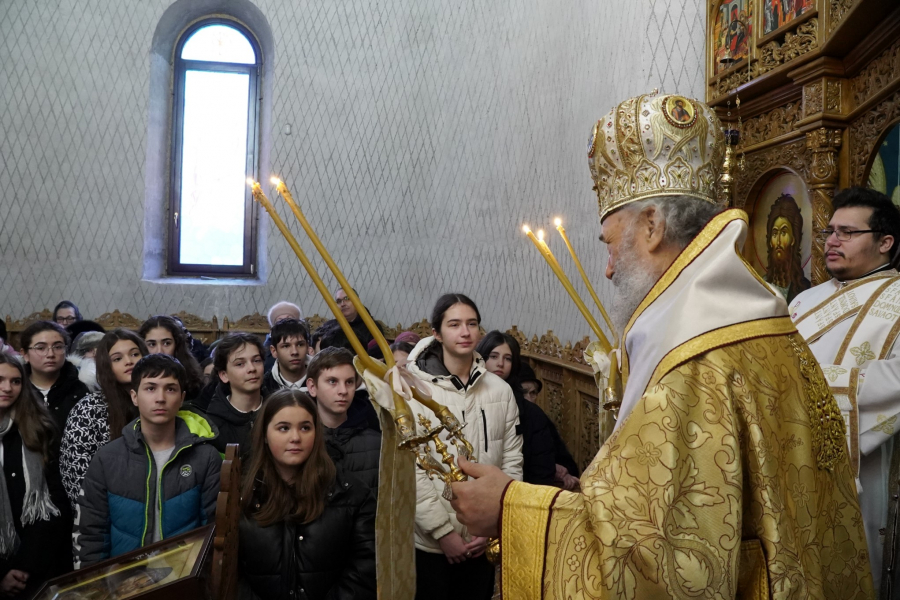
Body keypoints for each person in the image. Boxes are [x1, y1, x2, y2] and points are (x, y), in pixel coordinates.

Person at [448, 92, 872, 598]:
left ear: (650, 226)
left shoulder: (695, 358)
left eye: (608, 242)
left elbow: (665, 565)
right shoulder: (764, 326)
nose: (606, 268)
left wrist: (511, 508)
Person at [788, 186, 900, 595]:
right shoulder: (804, 301)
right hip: (791, 449)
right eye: (829, 231)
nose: (832, 240)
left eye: (847, 232)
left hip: (864, 464)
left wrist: (800, 384)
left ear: (885, 242)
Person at [406, 294, 523, 600]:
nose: (465, 332)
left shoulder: (500, 390)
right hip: (433, 543)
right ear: (436, 333)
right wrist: (443, 533)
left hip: (483, 538)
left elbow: (511, 459)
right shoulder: (414, 391)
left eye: (472, 324)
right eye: (454, 324)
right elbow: (409, 468)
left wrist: (494, 521)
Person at [73, 354, 221, 568]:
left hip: (183, 581)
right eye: (150, 388)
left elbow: (213, 531)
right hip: (123, 582)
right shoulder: (107, 458)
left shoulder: (205, 458)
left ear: (182, 397)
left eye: (170, 389)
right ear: (134, 396)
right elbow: (91, 533)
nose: (160, 398)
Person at [237, 389, 376, 600]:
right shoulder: (242, 495)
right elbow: (231, 573)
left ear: (316, 433)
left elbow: (365, 569)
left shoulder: (351, 494)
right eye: (283, 428)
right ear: (265, 435)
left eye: (305, 428)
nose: (295, 438)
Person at [0, 351, 72, 598]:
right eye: (0, 380)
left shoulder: (40, 430)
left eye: (16, 381)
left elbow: (56, 501)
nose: (7, 388)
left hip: (38, 565)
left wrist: (24, 566)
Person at [477, 332, 579, 489]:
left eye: (508, 358)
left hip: (517, 493)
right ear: (481, 358)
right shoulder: (466, 399)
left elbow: (541, 472)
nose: (500, 364)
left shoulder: (531, 413)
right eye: (493, 356)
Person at [60, 329, 148, 508]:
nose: (129, 361)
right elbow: (75, 474)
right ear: (106, 365)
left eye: (135, 354)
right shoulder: (90, 408)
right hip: (104, 511)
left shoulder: (158, 402)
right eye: (117, 358)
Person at [306, 348, 380, 492]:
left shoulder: (376, 442)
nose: (343, 391)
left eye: (349, 382)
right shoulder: (301, 439)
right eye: (332, 381)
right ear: (312, 387)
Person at [19, 321, 90, 438]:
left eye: (58, 347)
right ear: (25, 354)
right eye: (41, 348)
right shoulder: (15, 387)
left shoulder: (82, 387)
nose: (50, 354)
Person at [516, 363, 579, 488]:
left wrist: (562, 471)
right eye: (523, 393)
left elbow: (566, 462)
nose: (529, 398)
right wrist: (551, 467)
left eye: (533, 393)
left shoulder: (538, 417)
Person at [206, 333, 266, 460]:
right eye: (240, 364)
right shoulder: (212, 425)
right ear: (224, 375)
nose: (251, 368)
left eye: (256, 360)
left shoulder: (278, 411)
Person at [139, 316, 204, 400]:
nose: (159, 351)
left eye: (166, 343)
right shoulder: (134, 378)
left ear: (177, 345)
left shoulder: (193, 383)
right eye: (152, 344)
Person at [764, 193, 811, 303]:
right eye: (775, 234)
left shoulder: (804, 288)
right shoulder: (760, 285)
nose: (779, 241)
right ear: (770, 241)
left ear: (793, 239)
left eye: (784, 233)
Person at [262, 319, 310, 396]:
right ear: (274, 351)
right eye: (286, 346)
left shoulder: (321, 379)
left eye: (300, 345)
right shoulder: (264, 386)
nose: (294, 352)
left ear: (308, 347)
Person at [263, 302, 303, 372]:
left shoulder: (305, 340)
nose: (285, 323)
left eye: (289, 319)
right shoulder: (266, 349)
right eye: (280, 320)